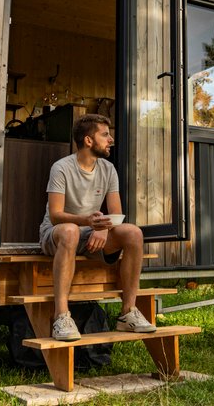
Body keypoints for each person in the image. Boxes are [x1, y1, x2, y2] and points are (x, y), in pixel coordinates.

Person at [38, 113, 156, 341]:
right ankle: (61, 316)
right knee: (71, 230)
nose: (111, 139)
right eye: (105, 134)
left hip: (91, 234)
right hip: (57, 234)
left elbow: (116, 214)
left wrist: (102, 228)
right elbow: (55, 216)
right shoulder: (61, 168)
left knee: (133, 233)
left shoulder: (108, 169)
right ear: (88, 140)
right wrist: (89, 222)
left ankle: (127, 313)